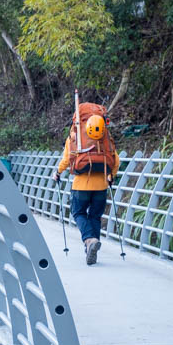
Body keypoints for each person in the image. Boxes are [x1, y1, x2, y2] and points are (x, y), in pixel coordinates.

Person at [52, 106, 119, 266]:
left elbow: (67, 159)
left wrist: (58, 172)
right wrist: (111, 176)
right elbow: (116, 161)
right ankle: (92, 244)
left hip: (81, 185)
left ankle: (89, 240)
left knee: (78, 212)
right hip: (101, 186)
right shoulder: (106, 137)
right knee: (95, 216)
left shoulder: (75, 137)